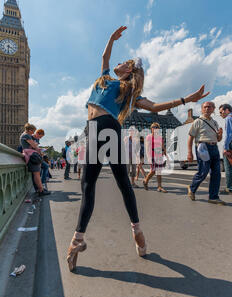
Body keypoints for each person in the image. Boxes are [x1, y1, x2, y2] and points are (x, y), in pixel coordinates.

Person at [66, 26, 211, 272]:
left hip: (103, 129)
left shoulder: (129, 91)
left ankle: (93, 238)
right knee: (106, 185)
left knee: (106, 185)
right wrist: (110, 39)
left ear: (129, 70)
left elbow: (155, 106)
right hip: (98, 129)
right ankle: (122, 235)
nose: (118, 63)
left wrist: (186, 100)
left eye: (124, 62)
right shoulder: (105, 79)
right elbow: (104, 58)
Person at [187, 102, 225, 205]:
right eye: (205, 107)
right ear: (202, 109)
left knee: (216, 173)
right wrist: (189, 152)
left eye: (210, 107)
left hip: (214, 147)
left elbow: (219, 139)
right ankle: (192, 188)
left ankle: (213, 197)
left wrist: (220, 135)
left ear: (213, 109)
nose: (207, 108)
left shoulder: (215, 123)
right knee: (203, 172)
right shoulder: (197, 121)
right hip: (203, 147)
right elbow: (190, 137)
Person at [20, 123, 50, 196]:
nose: (33, 133)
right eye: (33, 131)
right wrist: (39, 150)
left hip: (29, 154)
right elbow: (34, 146)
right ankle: (40, 191)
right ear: (30, 130)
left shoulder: (25, 135)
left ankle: (40, 189)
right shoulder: (26, 135)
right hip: (31, 155)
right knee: (36, 173)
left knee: (36, 173)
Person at [143, 123, 168, 193]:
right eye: (154, 127)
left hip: (159, 156)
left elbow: (163, 147)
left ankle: (159, 187)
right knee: (153, 171)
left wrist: (166, 155)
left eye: (157, 127)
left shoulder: (160, 137)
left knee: (159, 172)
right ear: (151, 128)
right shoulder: (149, 137)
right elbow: (147, 148)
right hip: (152, 156)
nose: (155, 128)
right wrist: (148, 157)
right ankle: (145, 180)